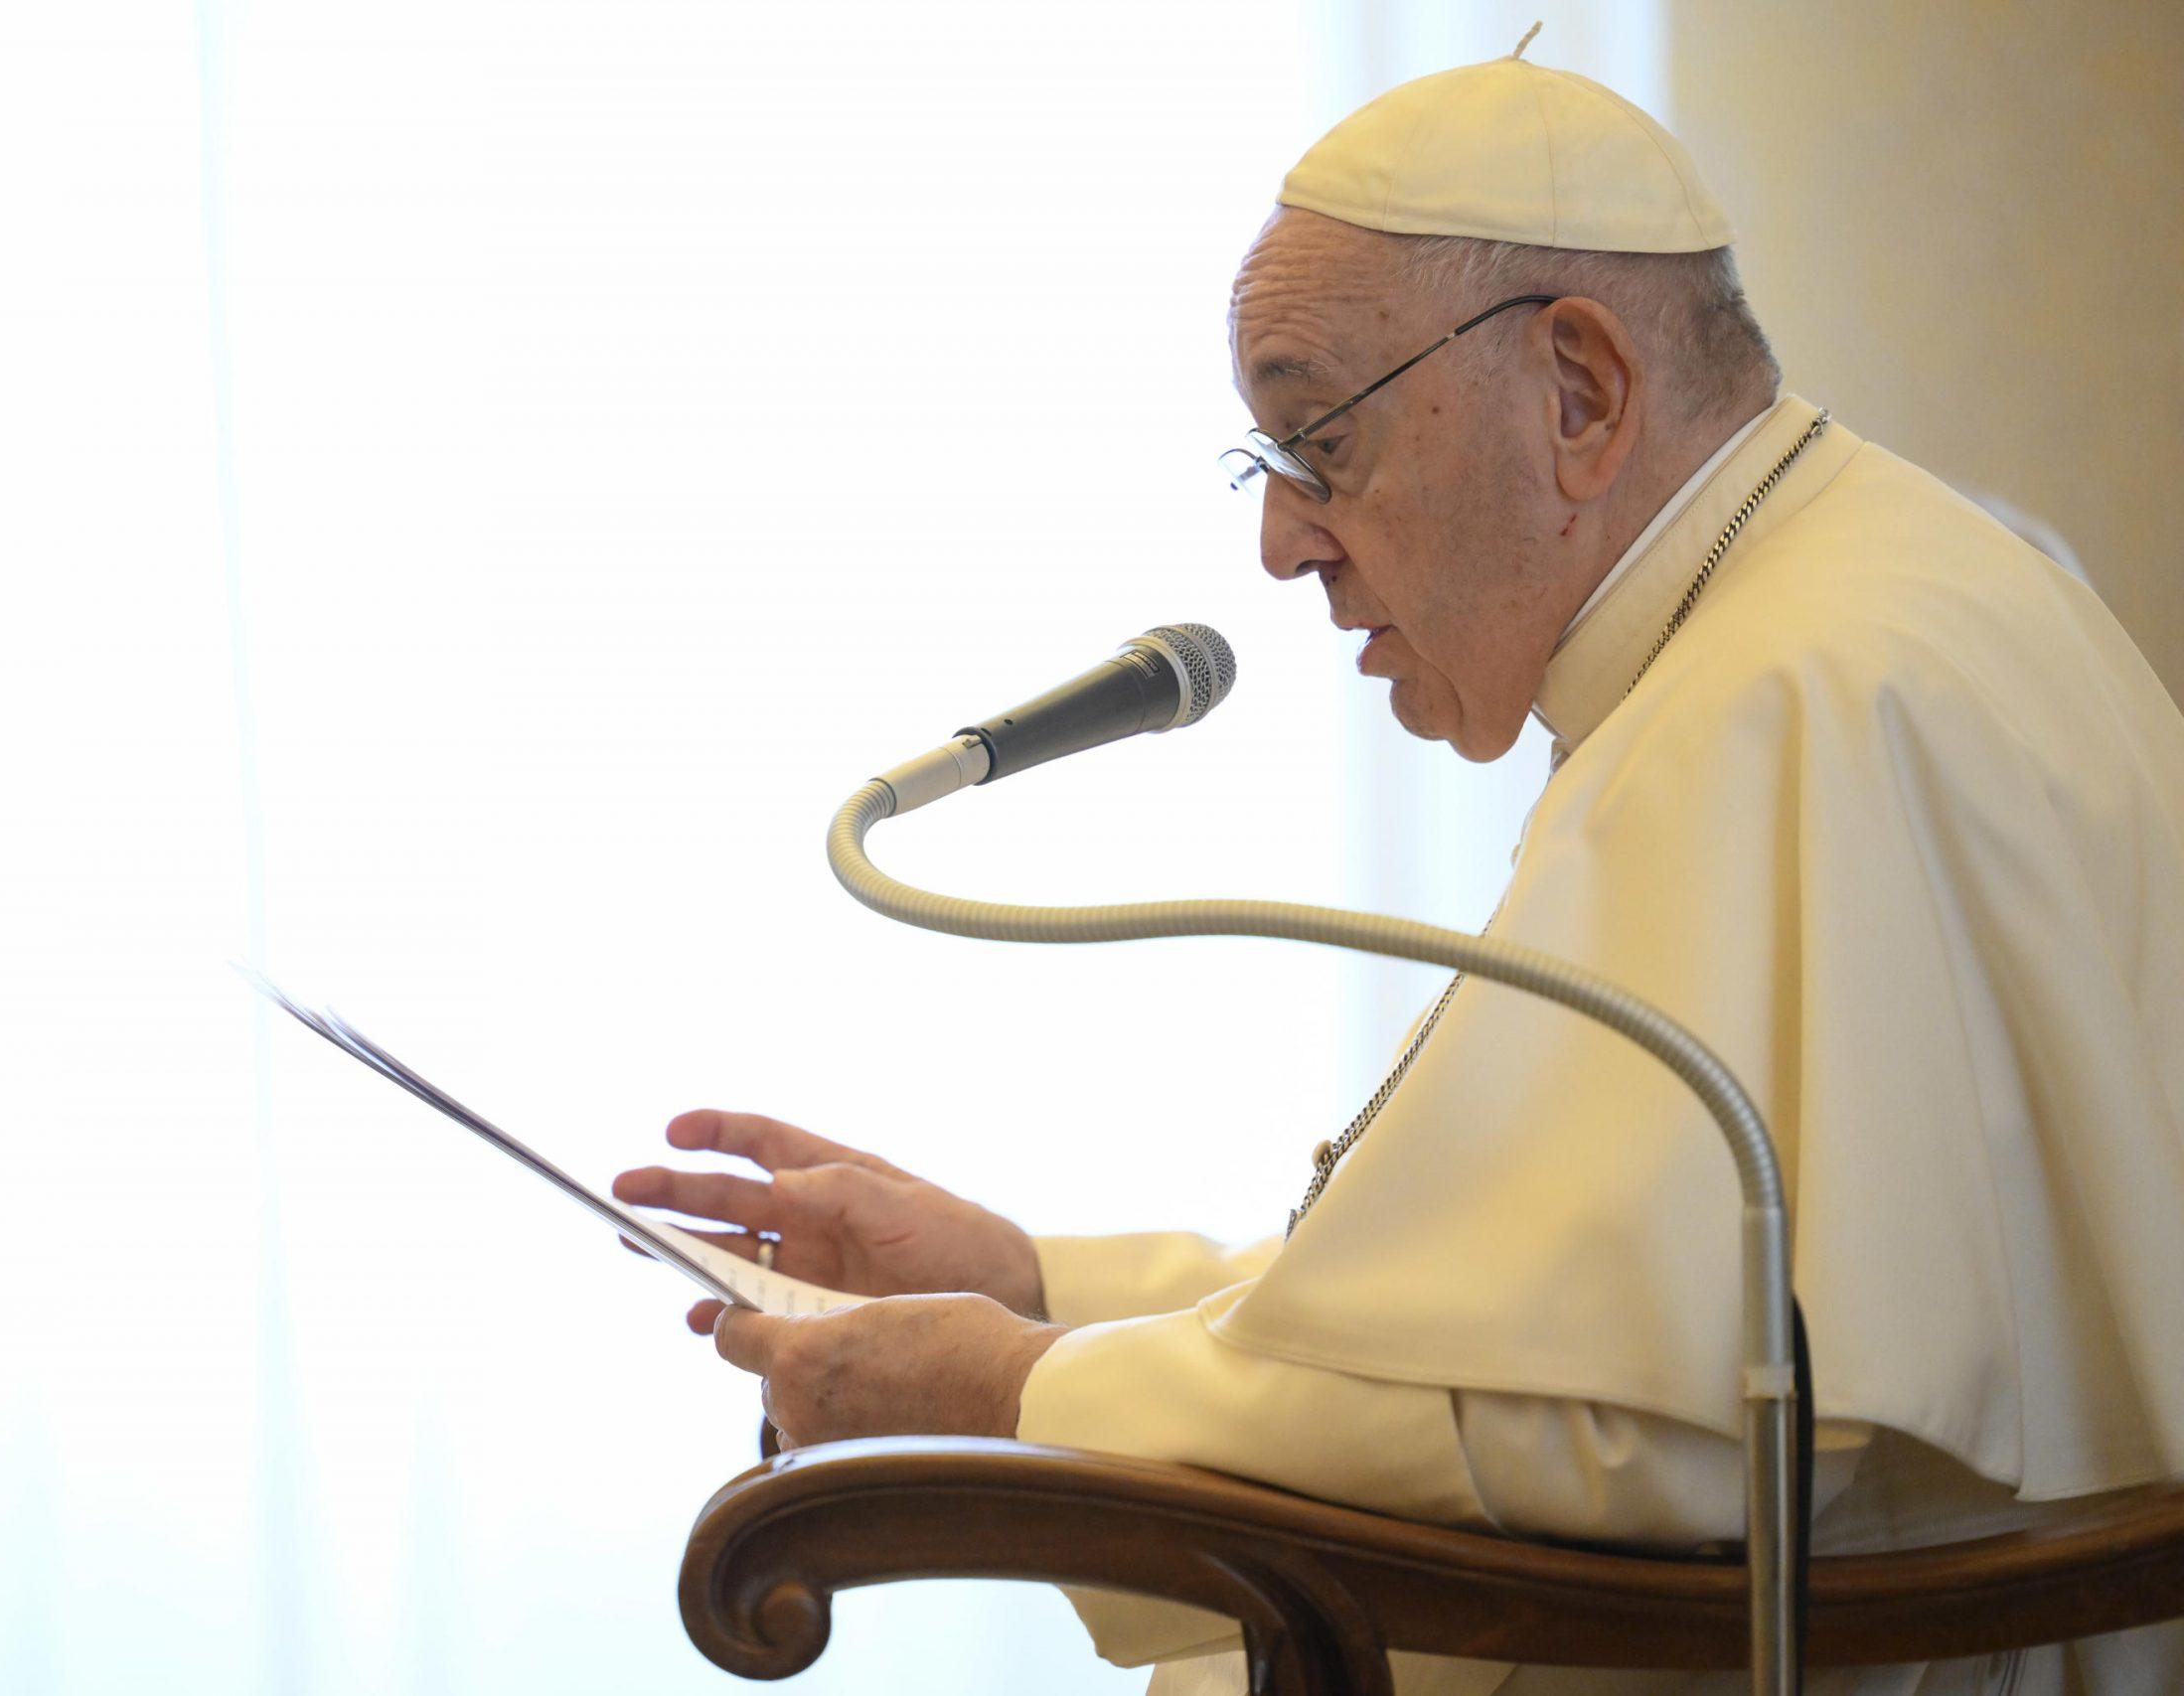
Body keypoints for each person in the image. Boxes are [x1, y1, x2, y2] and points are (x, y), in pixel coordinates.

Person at [612, 41, 2184, 1696]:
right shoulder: (1832, 609)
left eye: (1320, 442)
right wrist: (1029, 1283)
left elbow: (1626, 1449)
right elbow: (1545, 1341)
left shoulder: (1787, 699)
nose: (1282, 543)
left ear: (1580, 391)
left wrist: (1013, 1396)